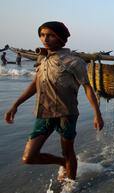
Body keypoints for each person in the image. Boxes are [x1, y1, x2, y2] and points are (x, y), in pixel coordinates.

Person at [4, 21, 104, 181]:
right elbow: (34, 85)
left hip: (66, 114)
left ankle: (72, 185)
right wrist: (15, 105)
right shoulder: (42, 59)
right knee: (28, 157)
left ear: (60, 38)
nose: (45, 39)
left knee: (68, 151)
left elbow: (87, 89)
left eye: (50, 35)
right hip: (44, 113)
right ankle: (63, 163)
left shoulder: (74, 62)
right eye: (42, 35)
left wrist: (97, 114)